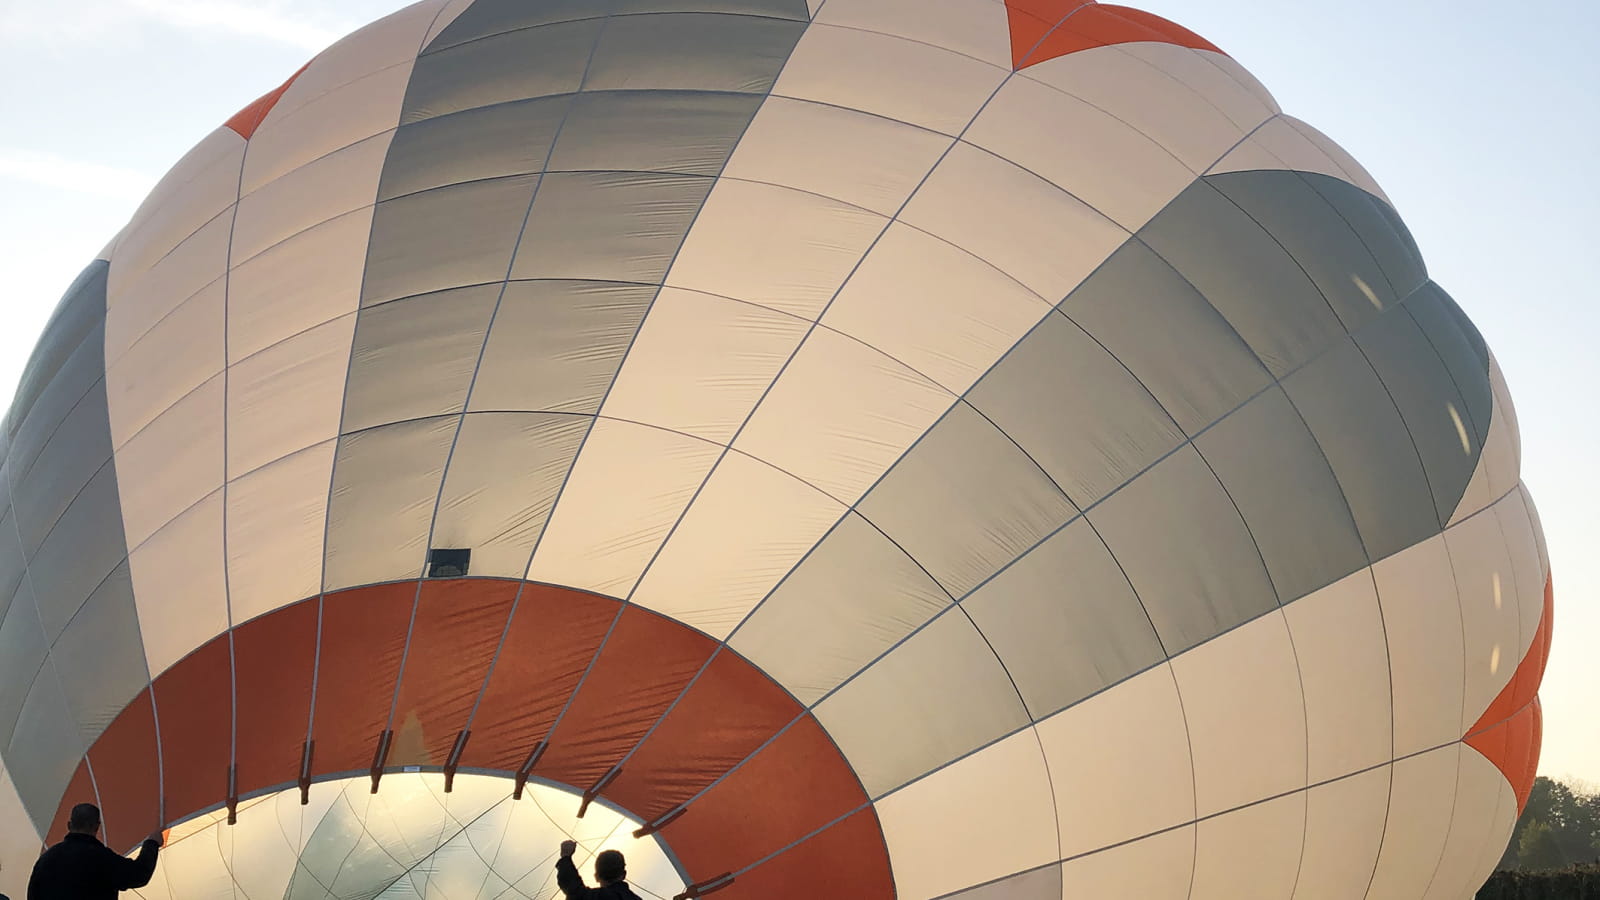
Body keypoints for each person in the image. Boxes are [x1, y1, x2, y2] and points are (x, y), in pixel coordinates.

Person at [27, 804, 162, 900]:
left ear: (69, 825)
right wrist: (152, 843)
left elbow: (32, 894)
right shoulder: (102, 858)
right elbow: (139, 875)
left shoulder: (46, 860)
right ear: (97, 827)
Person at [556, 840, 642, 899]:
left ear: (596, 877)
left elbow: (574, 890)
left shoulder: (599, 897)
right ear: (624, 874)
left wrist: (565, 856)